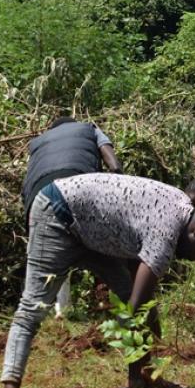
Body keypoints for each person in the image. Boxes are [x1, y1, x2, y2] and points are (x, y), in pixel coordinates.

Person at [1, 173, 195, 388]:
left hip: (91, 231)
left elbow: (139, 294)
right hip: (57, 213)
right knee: (32, 309)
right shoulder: (166, 235)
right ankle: (9, 386)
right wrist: (123, 324)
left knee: (137, 302)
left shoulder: (179, 204)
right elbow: (135, 308)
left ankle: (142, 382)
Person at [20, 116, 123, 318]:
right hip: (79, 186)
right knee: (105, 245)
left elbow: (27, 186)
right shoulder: (89, 129)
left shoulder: (38, 142)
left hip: (39, 197)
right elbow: (114, 164)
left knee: (56, 252)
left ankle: (60, 310)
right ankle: (111, 302)